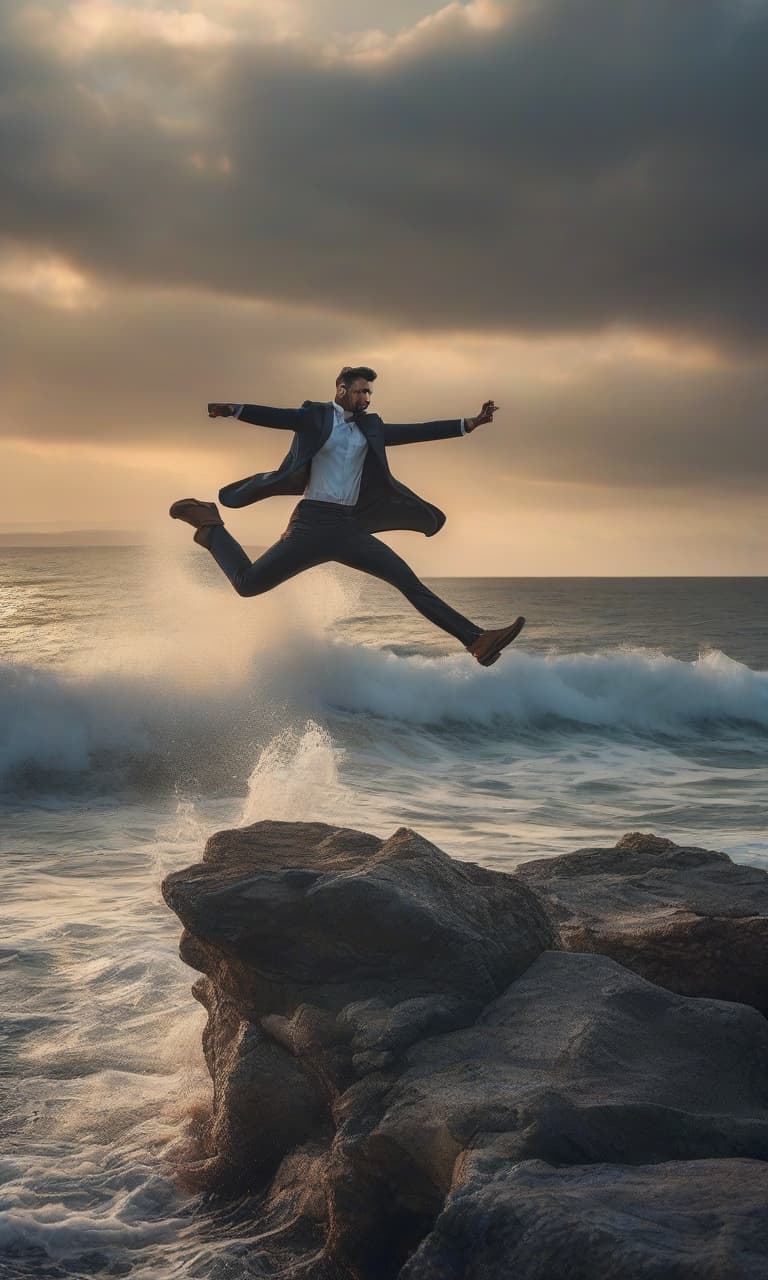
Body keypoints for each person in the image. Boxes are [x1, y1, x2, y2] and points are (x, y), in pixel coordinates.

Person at [170, 365, 525, 666]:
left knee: (408, 582)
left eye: (370, 393)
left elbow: (419, 430)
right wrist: (234, 409)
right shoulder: (316, 417)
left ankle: (476, 641)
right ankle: (210, 525)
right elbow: (278, 417)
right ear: (341, 390)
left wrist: (470, 423)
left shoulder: (371, 428)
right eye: (360, 392)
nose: (367, 399)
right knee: (248, 585)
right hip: (311, 523)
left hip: (348, 527)